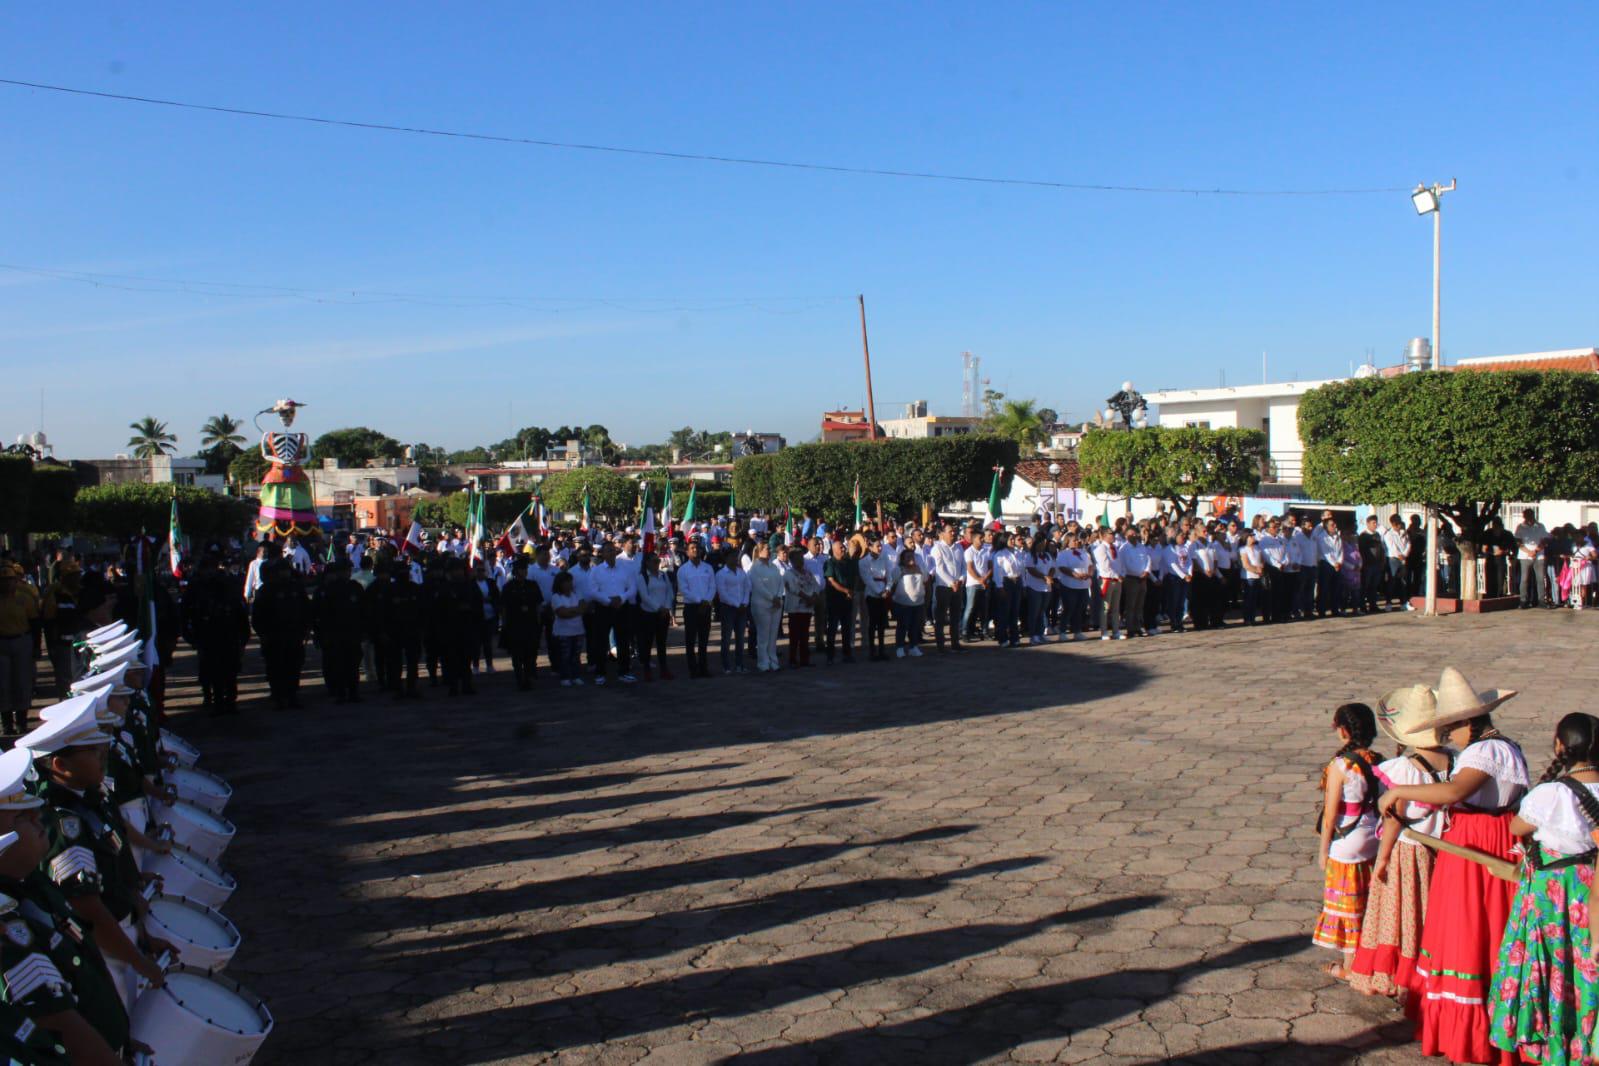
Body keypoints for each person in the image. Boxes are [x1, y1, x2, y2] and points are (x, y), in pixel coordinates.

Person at [1377, 668, 1528, 1066]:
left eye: (1448, 729)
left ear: (1465, 723)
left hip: (1481, 844)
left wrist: (1399, 790)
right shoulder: (1497, 747)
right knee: (1468, 925)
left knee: (1473, 929)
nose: (1448, 738)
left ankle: (1479, 1034)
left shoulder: (1487, 751)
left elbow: (1456, 790)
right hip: (1474, 841)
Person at [19, 698, 168, 1016]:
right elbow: (87, 906)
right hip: (106, 948)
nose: (103, 755)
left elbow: (111, 871)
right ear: (60, 765)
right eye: (92, 750)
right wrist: (138, 959)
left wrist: (141, 934)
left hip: (120, 937)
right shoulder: (65, 822)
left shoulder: (88, 798)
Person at [0, 745, 130, 1064]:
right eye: (22, 815)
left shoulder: (32, 885)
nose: (38, 819)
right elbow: (60, 1024)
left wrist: (122, 1042)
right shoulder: (9, 928)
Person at [1489, 712, 1599, 1065]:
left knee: (1552, 962)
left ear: (1559, 746)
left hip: (1552, 891)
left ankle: (1552, 1042)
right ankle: (1586, 1042)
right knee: (1582, 963)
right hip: (1590, 886)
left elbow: (1517, 827)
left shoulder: (1551, 793)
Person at [1347, 686, 1452, 999]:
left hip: (1407, 852)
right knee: (1430, 914)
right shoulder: (1456, 762)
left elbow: (1394, 818)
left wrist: (1382, 858)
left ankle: (1398, 979)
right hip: (1442, 850)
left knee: (1401, 917)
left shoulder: (1405, 769)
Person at [1314, 702, 1381, 979]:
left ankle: (1351, 967)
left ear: (1343, 731)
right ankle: (1369, 958)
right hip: (1373, 837)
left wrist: (1323, 850)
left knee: (1347, 905)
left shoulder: (1340, 766)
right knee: (1366, 900)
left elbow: (1330, 814)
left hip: (1347, 843)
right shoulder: (1379, 759)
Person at [182, 552, 250, 715]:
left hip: (227, 632)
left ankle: (229, 701)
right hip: (207, 634)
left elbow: (239, 610)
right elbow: (186, 611)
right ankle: (215, 699)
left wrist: (244, 635)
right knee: (211, 670)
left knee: (229, 670)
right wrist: (190, 635)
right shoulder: (196, 586)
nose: (209, 572)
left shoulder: (227, 584)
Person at [251, 558, 309, 710]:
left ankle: (292, 695)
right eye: (282, 570)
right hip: (274, 637)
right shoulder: (267, 590)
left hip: (294, 635)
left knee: (294, 666)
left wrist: (305, 630)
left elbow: (305, 610)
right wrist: (264, 634)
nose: (285, 573)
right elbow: (258, 616)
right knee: (276, 668)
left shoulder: (296, 588)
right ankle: (278, 697)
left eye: (287, 570)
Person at [312, 558, 365, 704]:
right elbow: (322, 614)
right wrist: (321, 633)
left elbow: (363, 610)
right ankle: (340, 692)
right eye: (344, 570)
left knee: (353, 664)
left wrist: (363, 630)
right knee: (338, 664)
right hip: (335, 633)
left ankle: (353, 691)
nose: (347, 573)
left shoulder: (355, 587)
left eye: (348, 570)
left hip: (353, 632)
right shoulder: (329, 589)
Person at [0, 561, 40, 735]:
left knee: (22, 682)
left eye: (9, 580)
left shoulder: (24, 598)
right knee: (3, 684)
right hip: (2, 643)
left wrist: (36, 647)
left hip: (21, 640)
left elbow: (35, 624)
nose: (6, 584)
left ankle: (22, 722)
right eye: (3, 581)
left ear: (15, 581)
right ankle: (7, 723)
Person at [499, 557, 543, 690]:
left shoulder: (532, 585)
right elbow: (504, 607)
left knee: (530, 653)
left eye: (525, 569)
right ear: (516, 571)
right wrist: (504, 625)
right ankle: (519, 679)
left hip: (530, 623)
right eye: (521, 569)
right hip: (515, 624)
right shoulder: (508, 587)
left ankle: (528, 677)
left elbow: (538, 605)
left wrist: (538, 622)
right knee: (517, 654)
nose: (524, 572)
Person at [633, 552, 675, 681]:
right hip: (648, 614)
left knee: (662, 643)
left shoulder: (663, 575)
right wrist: (658, 608)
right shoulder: (642, 577)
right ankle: (647, 669)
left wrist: (666, 607)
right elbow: (644, 596)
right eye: (654, 561)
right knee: (647, 643)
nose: (657, 563)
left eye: (658, 561)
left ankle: (664, 669)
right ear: (647, 563)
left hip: (663, 614)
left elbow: (670, 592)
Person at [677, 541, 716, 678]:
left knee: (704, 640)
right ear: (687, 552)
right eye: (692, 548)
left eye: (697, 548)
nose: (695, 550)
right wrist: (700, 601)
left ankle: (704, 668)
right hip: (691, 608)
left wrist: (707, 601)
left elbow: (712, 586)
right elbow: (684, 590)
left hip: (706, 607)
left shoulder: (708, 568)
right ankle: (693, 669)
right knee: (690, 640)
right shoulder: (683, 570)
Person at [747, 542, 786, 673]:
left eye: (769, 549)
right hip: (761, 605)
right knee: (763, 635)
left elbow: (781, 582)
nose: (769, 551)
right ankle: (763, 663)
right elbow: (758, 586)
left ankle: (773, 661)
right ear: (759, 551)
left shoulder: (773, 566)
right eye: (766, 549)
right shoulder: (754, 568)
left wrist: (778, 596)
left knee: (773, 635)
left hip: (776, 604)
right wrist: (772, 598)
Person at [716, 547, 752, 674]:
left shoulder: (741, 572)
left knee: (740, 638)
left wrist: (745, 602)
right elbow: (723, 594)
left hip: (742, 608)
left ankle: (739, 664)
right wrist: (737, 604)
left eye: (736, 556)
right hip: (728, 608)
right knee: (726, 638)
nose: (735, 558)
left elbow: (747, 588)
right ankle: (726, 666)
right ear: (726, 559)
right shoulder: (721, 574)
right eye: (732, 556)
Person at [929, 525, 964, 653]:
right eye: (950, 531)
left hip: (958, 586)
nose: (953, 533)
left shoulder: (959, 547)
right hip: (943, 587)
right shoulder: (937, 548)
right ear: (942, 534)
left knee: (955, 616)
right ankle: (941, 645)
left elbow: (964, 566)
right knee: (941, 618)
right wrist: (951, 582)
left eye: (954, 531)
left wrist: (961, 579)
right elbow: (939, 568)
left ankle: (955, 643)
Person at [549, 571, 587, 687]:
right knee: (564, 656)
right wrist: (576, 610)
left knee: (576, 656)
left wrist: (570, 610)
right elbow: (562, 613)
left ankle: (576, 676)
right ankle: (565, 677)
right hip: (563, 632)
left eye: (570, 581)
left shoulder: (577, 593)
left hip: (578, 630)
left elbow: (583, 608)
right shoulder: (556, 597)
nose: (569, 584)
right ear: (560, 584)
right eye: (566, 582)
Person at [783, 549, 819, 667]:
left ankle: (805, 659)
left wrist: (813, 597)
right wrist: (807, 598)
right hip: (795, 608)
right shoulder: (789, 573)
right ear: (792, 560)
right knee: (794, 635)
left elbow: (815, 586)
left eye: (801, 558)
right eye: (798, 558)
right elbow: (794, 588)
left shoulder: (808, 573)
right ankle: (792, 660)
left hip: (807, 608)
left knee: (805, 634)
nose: (801, 561)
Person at [859, 537, 893, 661]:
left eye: (880, 545)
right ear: (870, 547)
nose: (880, 548)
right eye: (877, 546)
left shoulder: (884, 558)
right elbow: (867, 579)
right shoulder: (863, 562)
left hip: (884, 592)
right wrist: (880, 592)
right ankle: (872, 650)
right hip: (872, 594)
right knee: (873, 623)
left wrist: (887, 588)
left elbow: (889, 575)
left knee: (882, 623)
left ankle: (882, 649)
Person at [891, 549, 926, 658]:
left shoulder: (920, 568)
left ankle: (913, 647)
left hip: (918, 603)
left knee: (915, 626)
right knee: (902, 626)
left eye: (912, 556)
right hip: (903, 603)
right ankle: (900, 647)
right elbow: (893, 582)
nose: (911, 559)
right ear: (902, 559)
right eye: (908, 557)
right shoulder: (898, 569)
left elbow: (925, 579)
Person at [1091, 527, 1124, 641]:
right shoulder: (1100, 549)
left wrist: (1121, 574)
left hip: (1117, 580)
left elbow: (1119, 563)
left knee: (1116, 607)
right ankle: (1104, 631)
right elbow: (1105, 566)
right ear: (1104, 535)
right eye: (1110, 533)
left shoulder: (1114, 547)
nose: (1113, 535)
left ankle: (1116, 631)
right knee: (1105, 607)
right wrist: (1117, 575)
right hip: (1106, 580)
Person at [1513, 509, 1549, 609]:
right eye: (1526, 516)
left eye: (1530, 515)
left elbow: (1544, 540)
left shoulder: (1540, 526)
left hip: (1539, 555)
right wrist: (1528, 552)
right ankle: (1523, 600)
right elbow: (1518, 542)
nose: (1528, 518)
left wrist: (1536, 551)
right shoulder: (1520, 527)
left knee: (1540, 579)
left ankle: (1541, 600)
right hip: (1525, 556)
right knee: (1524, 579)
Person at [1357, 516, 1385, 614]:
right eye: (1373, 523)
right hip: (1367, 565)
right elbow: (1361, 551)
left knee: (1374, 586)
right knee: (1365, 586)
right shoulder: (1363, 536)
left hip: (1377, 564)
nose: (1375, 525)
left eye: (1376, 523)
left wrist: (1382, 561)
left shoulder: (1377, 535)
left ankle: (1373, 605)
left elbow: (1381, 549)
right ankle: (1362, 606)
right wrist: (1364, 564)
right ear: (1368, 523)